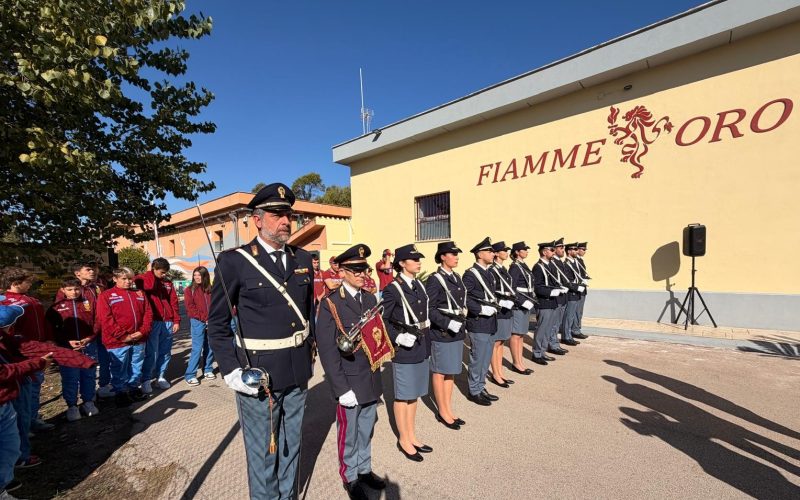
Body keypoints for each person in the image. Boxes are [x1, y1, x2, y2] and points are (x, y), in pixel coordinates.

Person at [207, 183, 316, 500]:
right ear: (257, 219)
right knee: (263, 454)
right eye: (277, 214)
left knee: (292, 445)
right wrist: (231, 371)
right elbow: (217, 323)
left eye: (289, 214)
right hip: (259, 375)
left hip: (297, 371)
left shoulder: (303, 259)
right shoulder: (235, 261)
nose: (286, 220)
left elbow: (309, 313)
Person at [317, 244, 392, 500]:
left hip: (370, 377)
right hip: (348, 381)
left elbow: (377, 337)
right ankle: (349, 477)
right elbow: (328, 352)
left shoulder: (370, 299)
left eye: (365, 269)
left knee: (366, 428)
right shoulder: (331, 304)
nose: (363, 274)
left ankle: (364, 469)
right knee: (348, 434)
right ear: (343, 271)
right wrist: (340, 389)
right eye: (357, 270)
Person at [0, 301, 95, 474]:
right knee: (15, 430)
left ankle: (18, 460)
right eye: (10, 325)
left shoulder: (7, 338)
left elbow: (31, 347)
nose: (12, 328)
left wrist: (80, 360)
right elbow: (4, 372)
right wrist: (37, 363)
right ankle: (20, 460)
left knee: (15, 431)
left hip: (12, 390)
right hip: (8, 393)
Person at [382, 244, 432, 462]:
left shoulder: (419, 284)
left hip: (420, 344)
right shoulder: (393, 288)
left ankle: (412, 434)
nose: (419, 262)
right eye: (414, 259)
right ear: (402, 263)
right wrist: (397, 337)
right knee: (403, 395)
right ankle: (403, 439)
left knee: (415, 394)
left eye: (419, 259)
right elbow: (383, 320)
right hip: (404, 346)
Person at [0, 268, 54, 433]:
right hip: (20, 352)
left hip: (38, 348)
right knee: (24, 390)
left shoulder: (31, 299)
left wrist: (48, 338)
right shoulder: (4, 301)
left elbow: (43, 322)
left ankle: (32, 418)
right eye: (27, 281)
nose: (30, 284)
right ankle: (21, 426)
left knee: (35, 387)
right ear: (15, 283)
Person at [425, 241, 467, 430]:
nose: (456, 257)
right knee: (440, 371)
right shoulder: (435, 279)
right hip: (443, 331)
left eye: (457, 254)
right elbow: (430, 308)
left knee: (450, 371)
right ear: (443, 256)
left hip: (456, 331)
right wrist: (447, 323)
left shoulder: (456, 277)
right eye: (452, 254)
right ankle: (442, 411)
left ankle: (448, 408)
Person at [97, 268, 153, 407]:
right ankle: (120, 392)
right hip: (117, 341)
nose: (128, 281)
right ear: (115, 279)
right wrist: (123, 336)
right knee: (119, 367)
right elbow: (106, 319)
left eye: (130, 279)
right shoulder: (106, 295)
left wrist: (143, 331)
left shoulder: (140, 293)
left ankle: (133, 388)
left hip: (139, 338)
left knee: (136, 365)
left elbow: (148, 314)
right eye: (124, 279)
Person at [46, 278, 100, 421]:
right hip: (67, 348)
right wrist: (66, 342)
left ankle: (88, 401)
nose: (74, 292)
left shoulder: (87, 303)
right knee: (70, 377)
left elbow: (97, 321)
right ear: (63, 290)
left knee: (88, 375)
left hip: (87, 344)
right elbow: (52, 331)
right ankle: (72, 405)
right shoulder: (55, 308)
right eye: (69, 289)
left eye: (76, 289)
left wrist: (90, 337)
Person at [60, 262, 112, 400]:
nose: (93, 272)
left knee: (105, 358)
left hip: (101, 329)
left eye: (94, 269)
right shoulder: (70, 289)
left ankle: (104, 386)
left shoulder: (99, 287)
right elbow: (63, 313)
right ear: (78, 273)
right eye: (88, 269)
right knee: (84, 363)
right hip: (84, 334)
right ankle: (80, 397)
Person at [462, 237, 501, 406]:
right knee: (478, 357)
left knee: (485, 358)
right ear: (479, 254)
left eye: (493, 251)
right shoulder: (471, 274)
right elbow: (466, 298)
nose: (493, 254)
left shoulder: (489, 273)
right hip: (479, 321)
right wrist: (480, 309)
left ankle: (480, 385)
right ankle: (474, 390)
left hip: (490, 322)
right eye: (489, 251)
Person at [135, 258, 180, 393]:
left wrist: (176, 320)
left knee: (165, 352)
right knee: (152, 353)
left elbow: (174, 301)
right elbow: (148, 287)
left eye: (166, 272)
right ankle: (146, 379)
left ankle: (160, 377)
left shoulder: (168, 283)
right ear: (153, 268)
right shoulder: (143, 279)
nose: (164, 275)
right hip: (153, 321)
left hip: (168, 321)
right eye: (162, 272)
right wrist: (151, 273)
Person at [531, 242, 565, 365]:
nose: (554, 252)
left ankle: (542, 351)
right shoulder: (538, 267)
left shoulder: (551, 265)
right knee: (542, 328)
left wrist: (560, 289)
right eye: (551, 250)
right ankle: (537, 353)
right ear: (544, 252)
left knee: (548, 328)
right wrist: (552, 292)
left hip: (553, 302)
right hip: (544, 302)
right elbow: (537, 287)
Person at [488, 241, 516, 388]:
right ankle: (495, 374)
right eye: (504, 250)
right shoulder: (492, 270)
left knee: (502, 342)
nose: (506, 253)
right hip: (499, 309)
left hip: (507, 308)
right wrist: (501, 302)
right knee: (496, 342)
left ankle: (500, 372)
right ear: (497, 253)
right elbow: (492, 292)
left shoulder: (503, 269)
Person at [183, 266, 215, 386]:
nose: (197, 277)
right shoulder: (189, 290)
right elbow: (190, 308)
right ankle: (190, 374)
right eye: (195, 275)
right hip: (197, 322)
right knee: (197, 348)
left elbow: (214, 305)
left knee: (210, 346)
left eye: (199, 275)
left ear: (205, 276)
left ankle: (207, 369)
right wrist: (203, 319)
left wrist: (211, 319)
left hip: (211, 321)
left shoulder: (210, 290)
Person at [508, 242, 535, 375]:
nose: (526, 251)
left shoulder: (523, 265)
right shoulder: (514, 267)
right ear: (517, 252)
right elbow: (512, 289)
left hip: (527, 302)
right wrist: (522, 301)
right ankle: (516, 363)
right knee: (516, 334)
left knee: (521, 334)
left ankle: (520, 362)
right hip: (519, 305)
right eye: (524, 250)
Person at [574, 242, 590, 339]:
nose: (584, 252)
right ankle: (575, 329)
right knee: (576, 311)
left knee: (579, 311)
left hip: (582, 288)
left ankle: (577, 328)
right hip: (577, 289)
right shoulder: (575, 261)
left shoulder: (580, 260)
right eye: (583, 250)